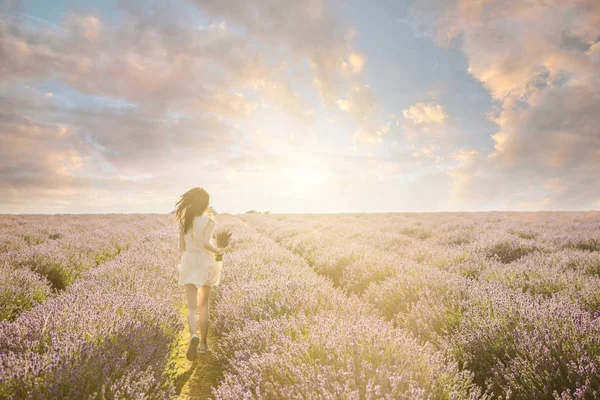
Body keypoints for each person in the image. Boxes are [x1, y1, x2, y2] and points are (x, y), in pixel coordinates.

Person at [175, 187, 227, 360]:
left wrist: (192, 250)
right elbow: (206, 243)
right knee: (204, 305)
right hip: (206, 263)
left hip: (189, 262)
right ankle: (203, 345)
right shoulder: (209, 220)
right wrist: (219, 250)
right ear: (206, 203)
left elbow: (181, 249)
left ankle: (192, 336)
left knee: (191, 307)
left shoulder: (184, 221)